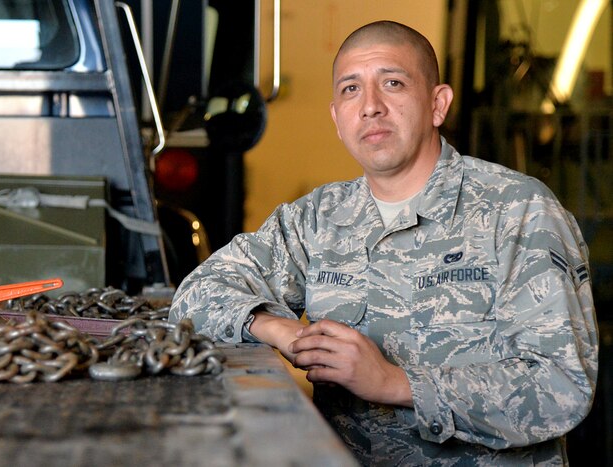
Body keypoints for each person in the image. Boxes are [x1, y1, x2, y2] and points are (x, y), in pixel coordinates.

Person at [169, 20, 598, 465]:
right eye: (351, 89)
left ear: (437, 104)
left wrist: (394, 382)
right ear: (337, 118)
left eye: (392, 83)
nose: (370, 106)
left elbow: (561, 387)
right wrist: (286, 333)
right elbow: (196, 295)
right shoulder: (317, 219)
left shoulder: (518, 210)